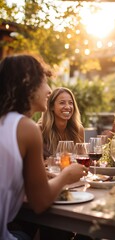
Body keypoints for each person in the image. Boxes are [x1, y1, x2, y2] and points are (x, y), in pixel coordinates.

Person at [0, 54, 88, 240]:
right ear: (27, 84)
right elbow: (40, 202)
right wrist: (66, 175)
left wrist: (46, 174)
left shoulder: (6, 122)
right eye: (43, 82)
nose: (49, 90)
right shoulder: (27, 128)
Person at [38, 87, 84, 159]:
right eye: (62, 103)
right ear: (51, 107)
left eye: (70, 103)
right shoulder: (39, 130)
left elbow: (82, 159)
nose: (68, 107)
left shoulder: (78, 130)